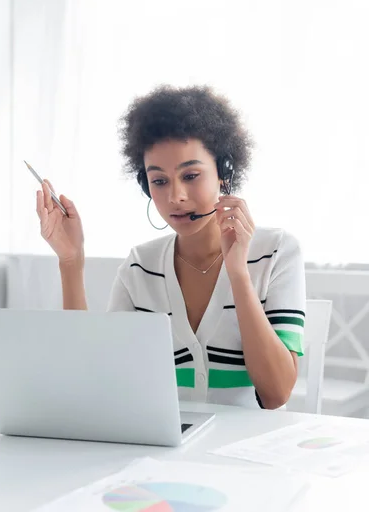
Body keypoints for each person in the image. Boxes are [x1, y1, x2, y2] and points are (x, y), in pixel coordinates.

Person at [36, 85, 305, 410]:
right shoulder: (140, 266)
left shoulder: (276, 251)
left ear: (224, 173)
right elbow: (95, 379)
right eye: (159, 181)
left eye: (190, 175)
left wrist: (238, 273)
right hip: (166, 452)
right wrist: (70, 261)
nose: (175, 196)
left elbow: (276, 394)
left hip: (248, 452)